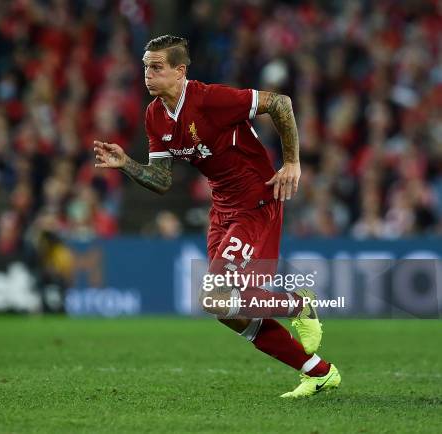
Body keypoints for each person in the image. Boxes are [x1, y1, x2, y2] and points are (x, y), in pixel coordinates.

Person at [93, 35, 341, 398]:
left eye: (156, 67)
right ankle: (318, 372)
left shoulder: (210, 99)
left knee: (213, 296)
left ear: (180, 71)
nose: (147, 74)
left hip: (256, 201)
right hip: (223, 208)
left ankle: (298, 303)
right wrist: (127, 164)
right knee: (228, 309)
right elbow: (162, 180)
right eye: (145, 66)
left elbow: (280, 103)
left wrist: (291, 162)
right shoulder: (155, 115)